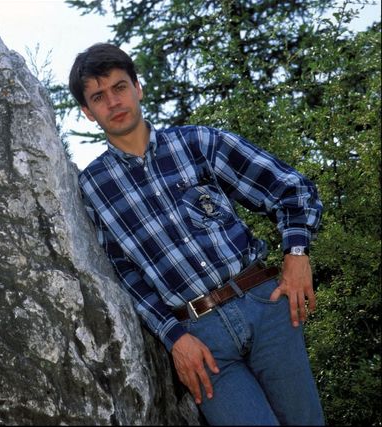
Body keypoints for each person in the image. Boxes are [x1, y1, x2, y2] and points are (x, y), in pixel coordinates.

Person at [69, 42, 325, 425]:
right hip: (200, 340)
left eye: (119, 87)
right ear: (88, 112)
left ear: (138, 88)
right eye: (99, 97)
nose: (113, 102)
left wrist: (297, 255)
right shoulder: (93, 189)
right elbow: (126, 277)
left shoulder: (198, 144)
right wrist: (174, 338)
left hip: (264, 303)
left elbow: (290, 189)